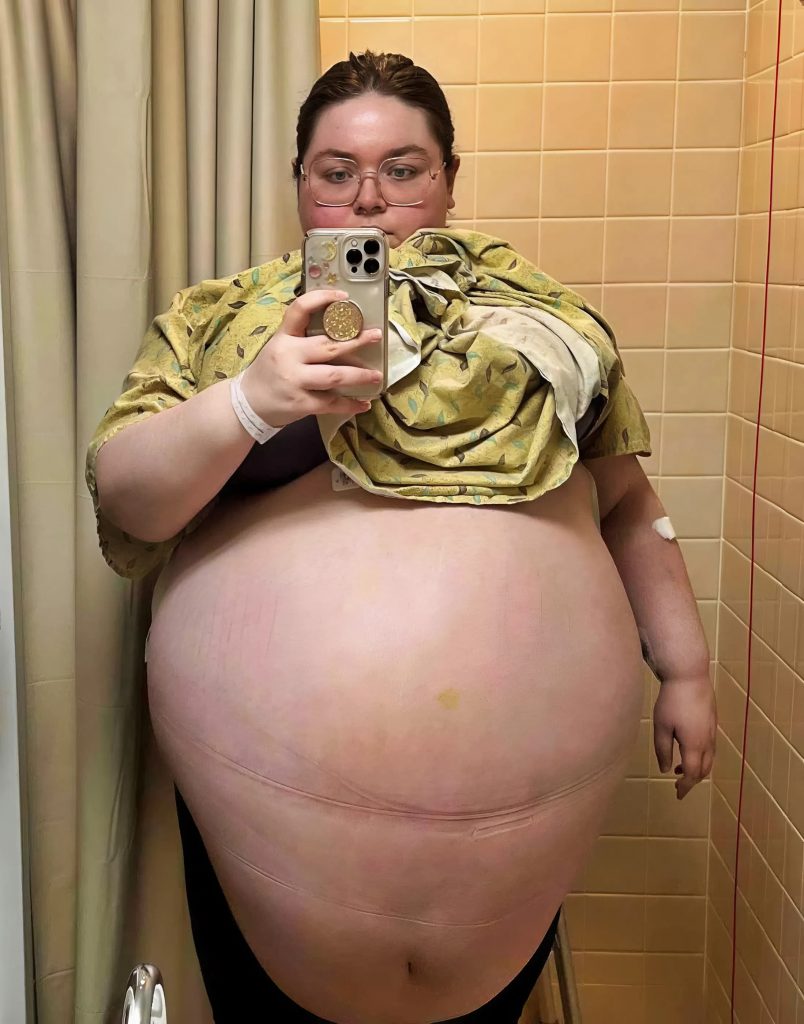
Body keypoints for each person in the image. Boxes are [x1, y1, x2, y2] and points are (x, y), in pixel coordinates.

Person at [87, 51, 717, 1024]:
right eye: (336, 172)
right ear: (299, 181)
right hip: (264, 864)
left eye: (403, 169)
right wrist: (253, 401)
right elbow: (127, 500)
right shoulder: (221, 321)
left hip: (512, 876)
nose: (369, 199)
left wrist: (686, 671)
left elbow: (629, 502)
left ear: (449, 179)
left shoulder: (547, 325)